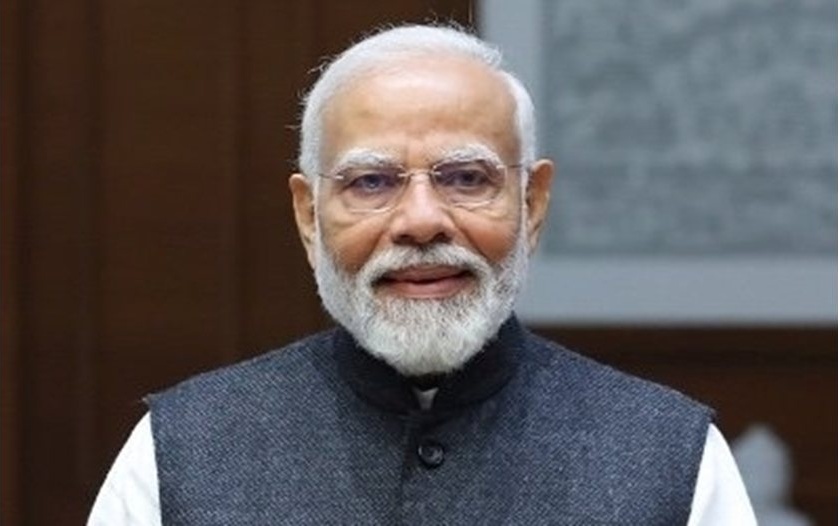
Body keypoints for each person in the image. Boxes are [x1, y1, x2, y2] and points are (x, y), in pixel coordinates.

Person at [88, 24, 756, 525]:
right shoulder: (179, 454)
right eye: (371, 182)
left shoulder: (672, 459)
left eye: (465, 178)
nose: (421, 221)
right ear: (308, 217)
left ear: (531, 205)